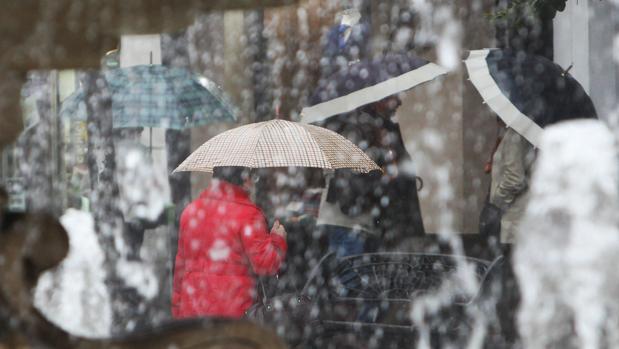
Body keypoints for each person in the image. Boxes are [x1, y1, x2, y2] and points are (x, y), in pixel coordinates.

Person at [171, 167, 287, 319]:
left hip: (192, 313)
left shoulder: (190, 211)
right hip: (233, 316)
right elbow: (266, 265)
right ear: (245, 180)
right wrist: (278, 239)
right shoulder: (249, 214)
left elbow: (180, 267)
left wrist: (177, 308)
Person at [479, 123, 536, 343]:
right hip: (517, 223)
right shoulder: (518, 133)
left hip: (513, 222)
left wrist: (494, 204)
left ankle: (510, 333)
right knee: (513, 280)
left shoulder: (515, 134)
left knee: (508, 281)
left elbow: (515, 178)